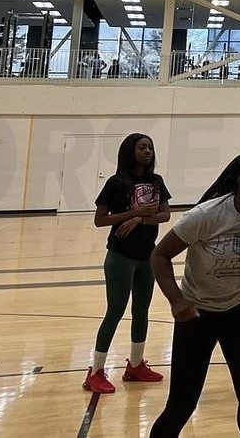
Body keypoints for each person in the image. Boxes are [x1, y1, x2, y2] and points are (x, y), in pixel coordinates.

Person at [149, 151, 240, 437]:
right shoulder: (207, 215)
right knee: (182, 404)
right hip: (197, 313)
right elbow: (160, 255)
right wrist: (176, 300)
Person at [84, 133, 172, 394]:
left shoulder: (157, 181)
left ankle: (135, 365)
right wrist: (134, 213)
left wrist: (141, 221)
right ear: (129, 151)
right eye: (142, 147)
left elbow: (165, 215)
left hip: (148, 257)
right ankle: (95, 371)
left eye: (150, 147)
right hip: (121, 256)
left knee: (142, 311)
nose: (148, 151)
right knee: (115, 311)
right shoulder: (116, 182)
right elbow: (100, 220)